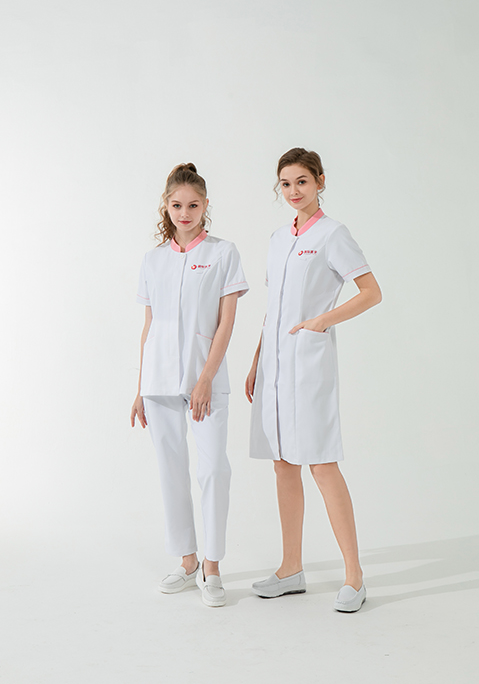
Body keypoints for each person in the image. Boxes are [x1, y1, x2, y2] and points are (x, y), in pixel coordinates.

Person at [246, 148, 381, 612]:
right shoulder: (278, 238)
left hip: (308, 364)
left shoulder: (332, 234)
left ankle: (354, 577)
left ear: (320, 181)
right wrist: (257, 359)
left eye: (302, 181)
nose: (293, 191)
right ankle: (291, 569)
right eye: (285, 183)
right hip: (274, 365)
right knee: (283, 463)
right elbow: (274, 308)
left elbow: (371, 292)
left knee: (321, 463)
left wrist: (322, 321)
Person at [131, 163, 248, 607]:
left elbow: (226, 324)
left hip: (205, 380)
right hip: (159, 381)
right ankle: (186, 561)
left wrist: (205, 379)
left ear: (205, 206)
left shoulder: (223, 253)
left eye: (193, 205)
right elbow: (149, 326)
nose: (185, 213)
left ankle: (212, 568)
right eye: (177, 205)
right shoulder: (153, 260)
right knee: (171, 470)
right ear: (166, 205)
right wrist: (140, 387)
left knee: (213, 469)